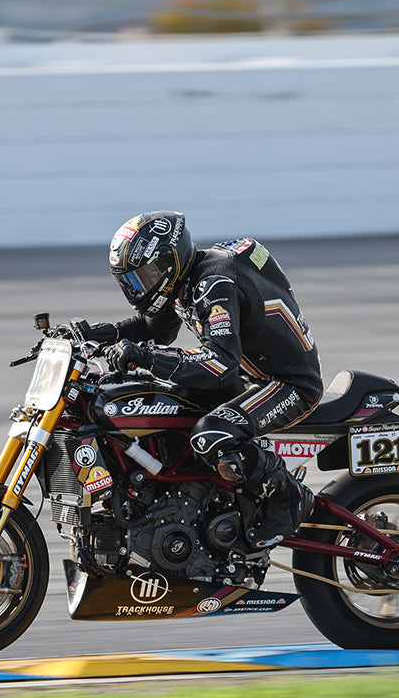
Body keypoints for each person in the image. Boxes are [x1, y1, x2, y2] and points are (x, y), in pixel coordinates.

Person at [80, 210, 323, 551]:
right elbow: (155, 330)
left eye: (145, 276)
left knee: (212, 434)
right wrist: (94, 334)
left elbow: (221, 362)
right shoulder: (183, 279)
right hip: (250, 375)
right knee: (165, 410)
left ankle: (289, 496)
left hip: (289, 383)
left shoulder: (214, 284)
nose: (139, 287)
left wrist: (145, 357)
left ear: (168, 261)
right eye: (131, 281)